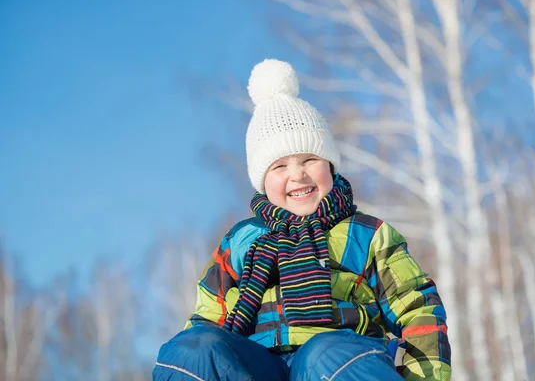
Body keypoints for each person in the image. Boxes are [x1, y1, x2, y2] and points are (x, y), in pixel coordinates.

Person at [152, 59, 452, 381]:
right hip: (256, 368)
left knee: (326, 354)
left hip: (332, 362)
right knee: (193, 349)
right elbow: (209, 320)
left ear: (331, 167)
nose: (297, 174)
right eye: (279, 167)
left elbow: (418, 308)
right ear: (262, 182)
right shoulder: (242, 241)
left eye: (310, 159)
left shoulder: (365, 235)